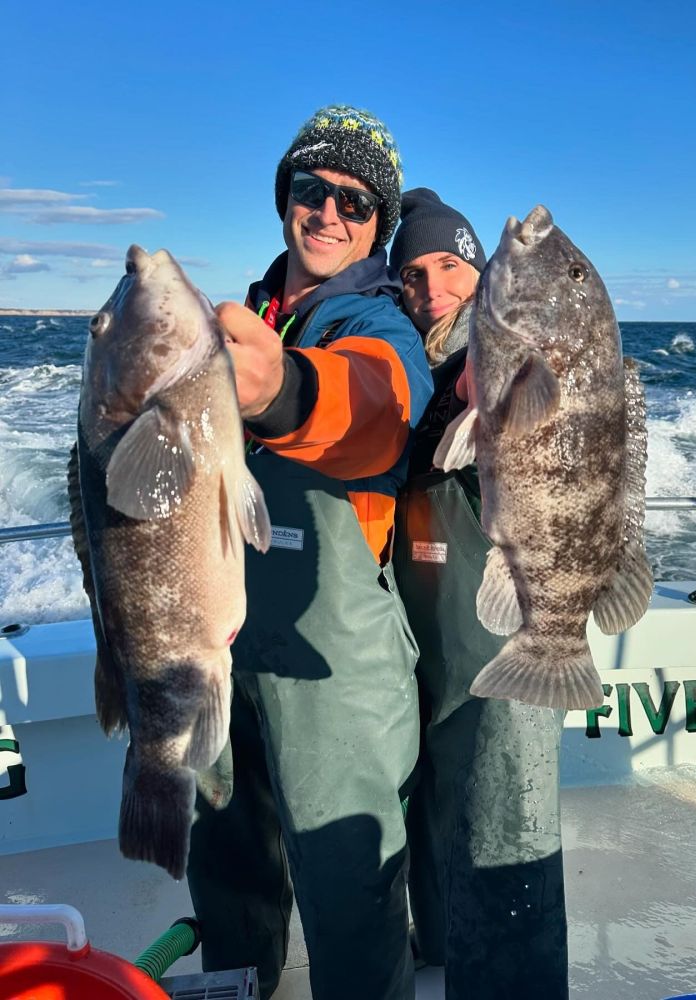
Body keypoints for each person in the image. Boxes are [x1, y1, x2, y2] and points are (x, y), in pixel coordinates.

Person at [186, 106, 433, 1000]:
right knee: (226, 870)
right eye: (310, 189)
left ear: (379, 224)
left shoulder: (379, 325)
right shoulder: (241, 316)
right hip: (218, 649)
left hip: (338, 673)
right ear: (284, 197)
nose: (329, 212)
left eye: (356, 203)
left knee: (350, 897)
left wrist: (282, 390)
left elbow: (379, 406)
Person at [389, 189, 569, 999]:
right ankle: (439, 953)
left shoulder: (505, 352)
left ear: (482, 273)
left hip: (506, 649)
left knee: (506, 833)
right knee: (434, 824)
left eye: (451, 267)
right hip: (422, 650)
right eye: (414, 273)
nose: (433, 290)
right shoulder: (394, 358)